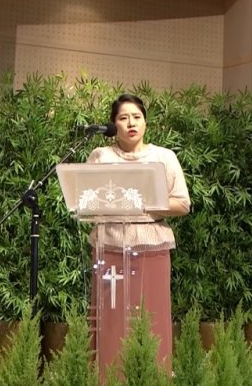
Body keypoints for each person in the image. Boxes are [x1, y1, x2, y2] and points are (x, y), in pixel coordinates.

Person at [86, 94, 190, 378]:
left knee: (151, 317)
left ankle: (154, 379)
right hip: (109, 246)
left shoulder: (164, 157)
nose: (131, 123)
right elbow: (86, 199)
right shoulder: (101, 156)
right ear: (113, 124)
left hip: (151, 246)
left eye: (136, 117)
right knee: (111, 319)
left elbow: (182, 203)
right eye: (123, 118)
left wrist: (145, 202)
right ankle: (109, 379)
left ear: (145, 122)